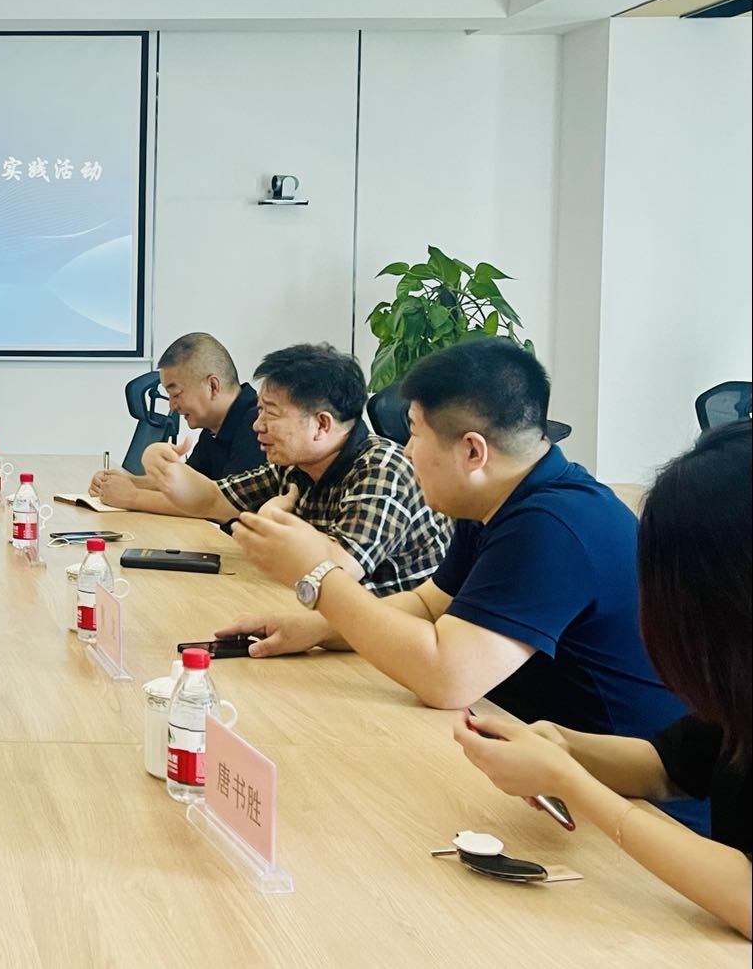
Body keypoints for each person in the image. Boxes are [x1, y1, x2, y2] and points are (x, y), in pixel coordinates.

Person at [216, 341, 691, 739]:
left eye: (414, 433)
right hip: (527, 745)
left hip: (620, 795)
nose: (406, 451)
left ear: (472, 451)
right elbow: (428, 605)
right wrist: (318, 629)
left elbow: (447, 679)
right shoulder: (494, 498)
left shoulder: (552, 523)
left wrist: (319, 578)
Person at [453, 420, 750, 938]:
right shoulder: (740, 679)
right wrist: (564, 747)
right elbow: (669, 767)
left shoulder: (550, 521)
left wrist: (570, 782)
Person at [138, 342, 449, 594]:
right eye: (259, 410)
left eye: (271, 414)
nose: (257, 425)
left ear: (321, 424)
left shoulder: (382, 470)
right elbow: (210, 499)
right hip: (324, 620)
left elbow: (338, 571)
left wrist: (271, 523)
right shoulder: (295, 466)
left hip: (388, 638)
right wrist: (162, 465)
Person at [87, 332, 266, 511]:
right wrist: (126, 482)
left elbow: (221, 505)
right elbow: (186, 489)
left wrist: (132, 497)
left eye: (176, 394)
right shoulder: (214, 427)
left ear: (212, 386)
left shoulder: (256, 426)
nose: (172, 406)